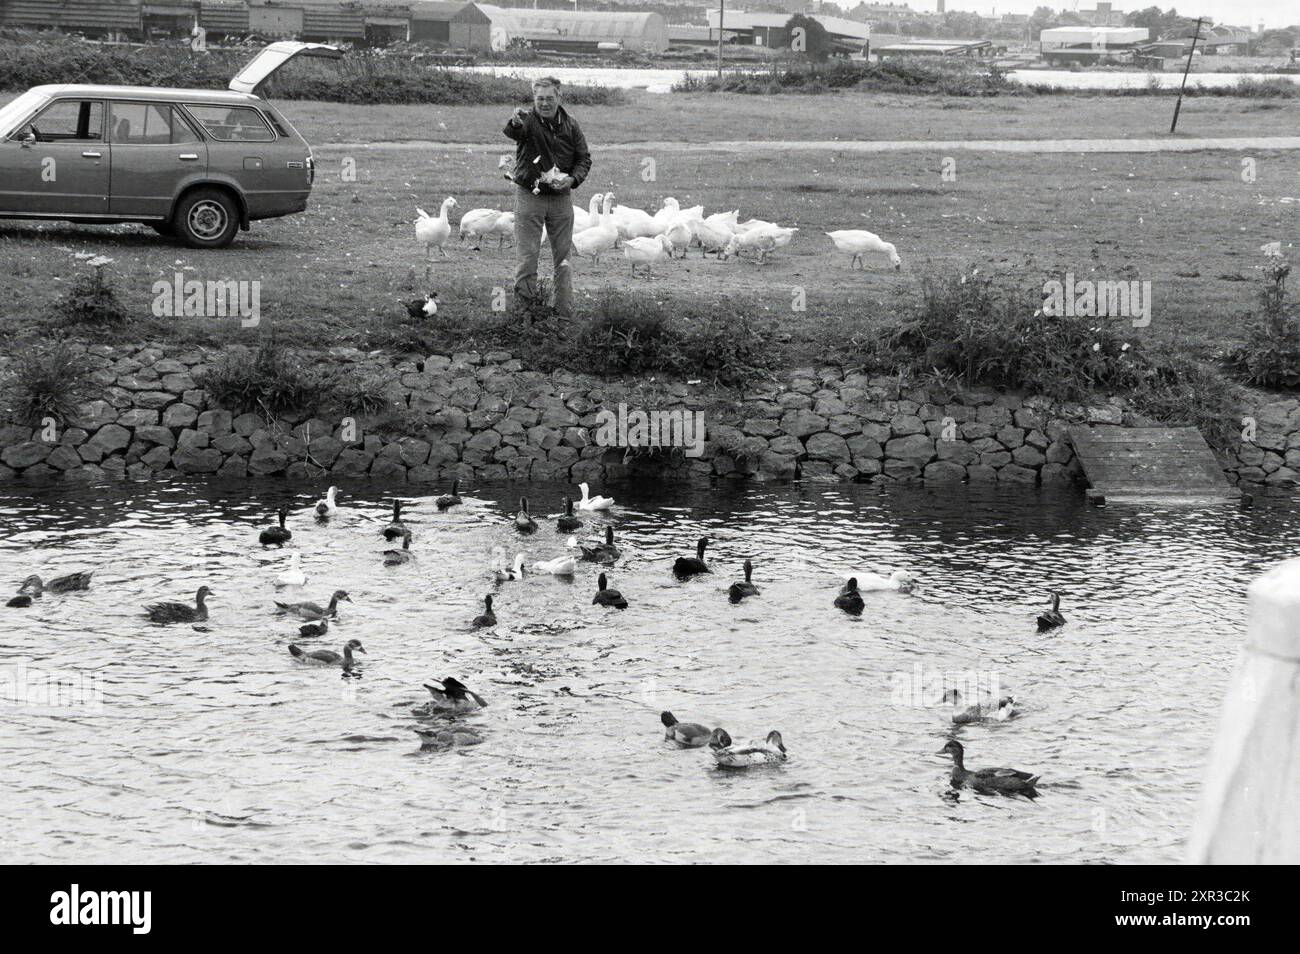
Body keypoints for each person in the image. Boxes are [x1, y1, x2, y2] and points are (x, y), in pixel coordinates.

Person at [503, 77, 592, 318]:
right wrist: (515, 121)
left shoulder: (571, 126)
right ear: (533, 99)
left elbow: (584, 159)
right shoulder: (527, 121)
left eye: (549, 99)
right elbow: (514, 131)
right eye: (539, 99)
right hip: (529, 195)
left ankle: (564, 313)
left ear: (559, 98)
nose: (544, 103)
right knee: (528, 255)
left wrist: (572, 180)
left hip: (561, 198)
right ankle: (525, 315)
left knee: (563, 258)